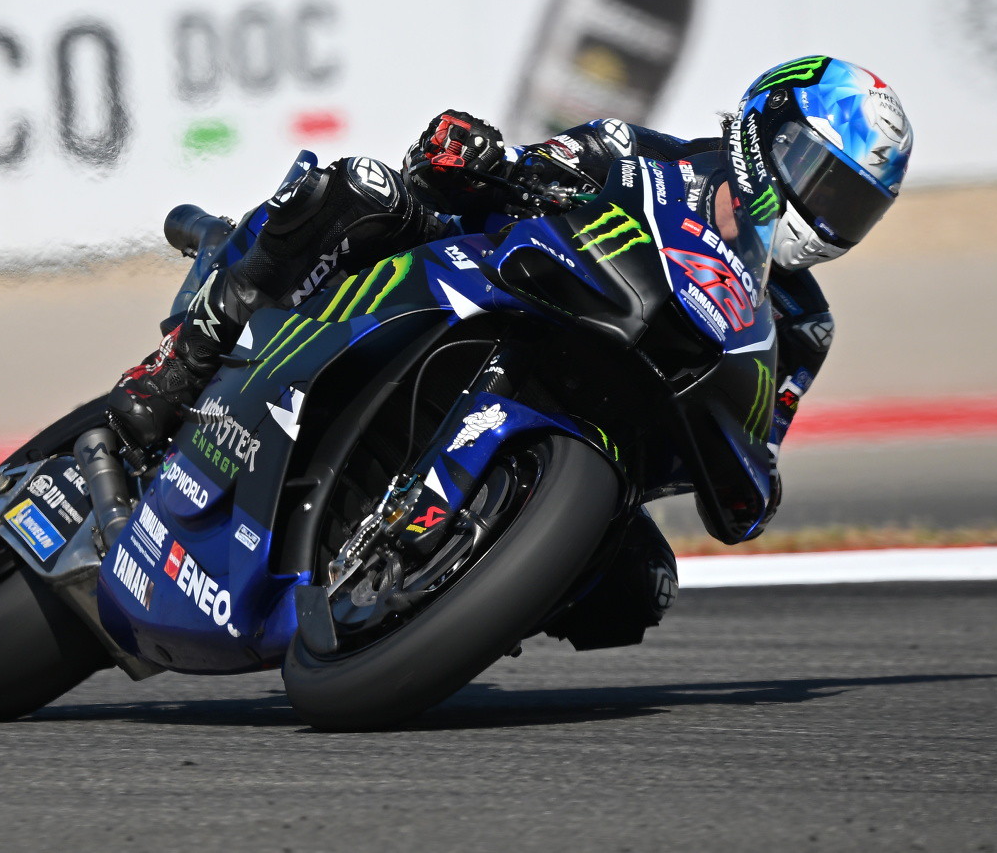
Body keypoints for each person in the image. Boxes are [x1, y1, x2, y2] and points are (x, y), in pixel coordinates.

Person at [106, 55, 913, 642]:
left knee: (640, 587)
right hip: (492, 282)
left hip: (613, 418)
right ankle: (182, 366)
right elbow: (531, 168)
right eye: (818, 175)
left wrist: (752, 480)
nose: (824, 212)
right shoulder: (645, 153)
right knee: (361, 190)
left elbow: (757, 450)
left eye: (851, 204)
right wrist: (477, 155)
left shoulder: (802, 326)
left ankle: (458, 593)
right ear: (765, 134)